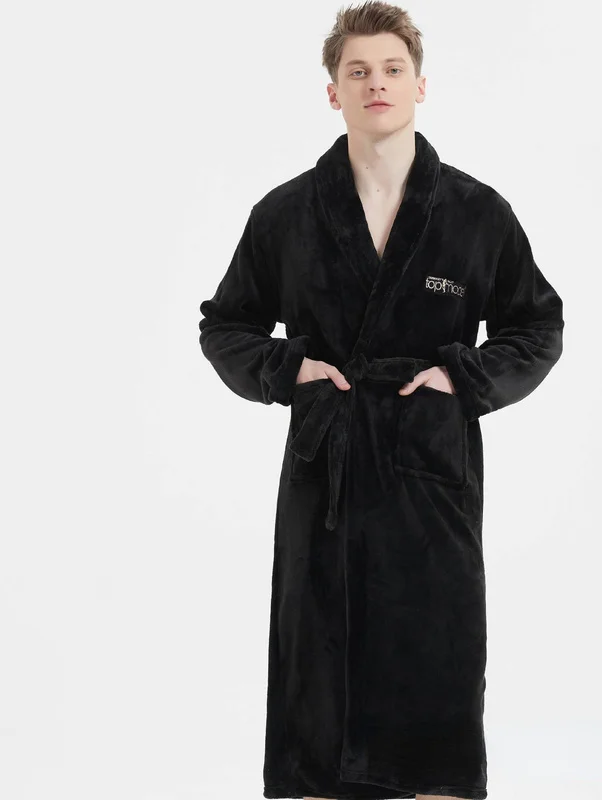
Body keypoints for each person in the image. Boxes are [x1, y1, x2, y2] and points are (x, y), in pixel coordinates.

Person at [198, 2, 565, 798]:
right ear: (333, 91)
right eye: (358, 71)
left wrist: (463, 379)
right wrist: (287, 368)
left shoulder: (475, 213)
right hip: (323, 479)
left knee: (436, 674)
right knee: (316, 679)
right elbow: (224, 325)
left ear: (420, 85)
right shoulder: (287, 214)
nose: (377, 84)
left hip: (429, 478)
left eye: (393, 69)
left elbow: (537, 326)